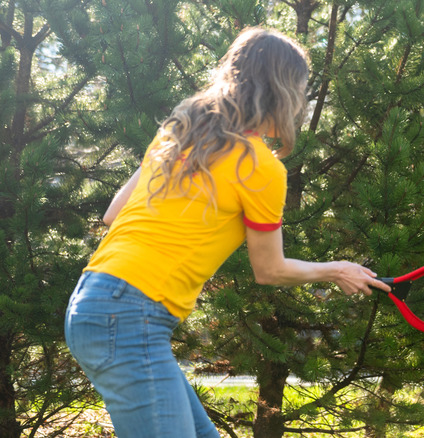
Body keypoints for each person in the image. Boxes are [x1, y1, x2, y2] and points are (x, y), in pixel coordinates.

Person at [64, 27, 391, 438]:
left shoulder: (178, 132)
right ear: (283, 92)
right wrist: (337, 269)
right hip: (129, 316)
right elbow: (269, 269)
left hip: (94, 300)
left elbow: (114, 213)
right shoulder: (259, 167)